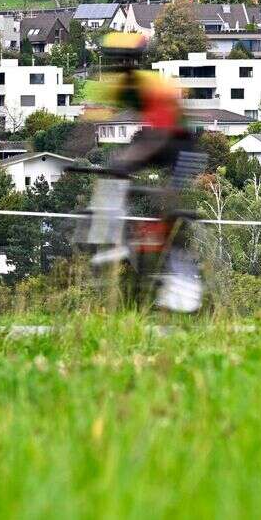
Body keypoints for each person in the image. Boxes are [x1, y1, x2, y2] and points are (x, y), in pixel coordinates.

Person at [83, 31, 206, 312]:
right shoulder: (112, 86)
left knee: (169, 205)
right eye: (116, 62)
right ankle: (113, 234)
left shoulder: (154, 86)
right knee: (116, 167)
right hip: (151, 137)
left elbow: (161, 137)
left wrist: (126, 161)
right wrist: (74, 155)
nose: (121, 67)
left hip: (180, 144)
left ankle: (184, 276)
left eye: (127, 61)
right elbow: (87, 124)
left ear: (136, 62)